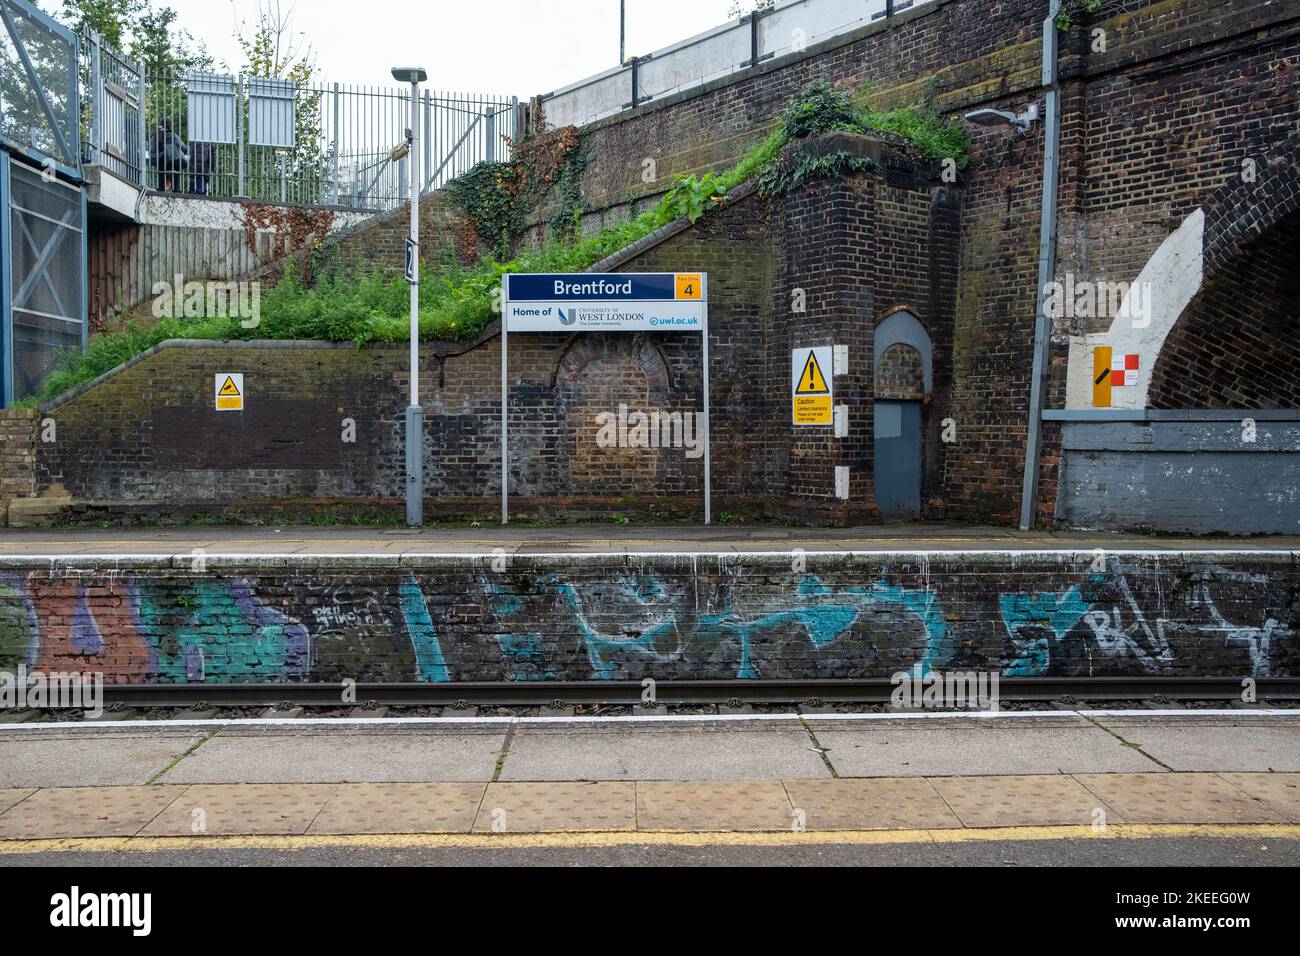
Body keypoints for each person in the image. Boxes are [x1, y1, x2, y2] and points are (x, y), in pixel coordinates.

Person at [148, 118, 188, 192]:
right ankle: (176, 189)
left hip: (161, 162)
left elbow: (152, 152)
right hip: (173, 162)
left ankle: (161, 188)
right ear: (170, 126)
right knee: (177, 166)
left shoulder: (154, 137)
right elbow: (184, 148)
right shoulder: (173, 136)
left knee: (161, 168)